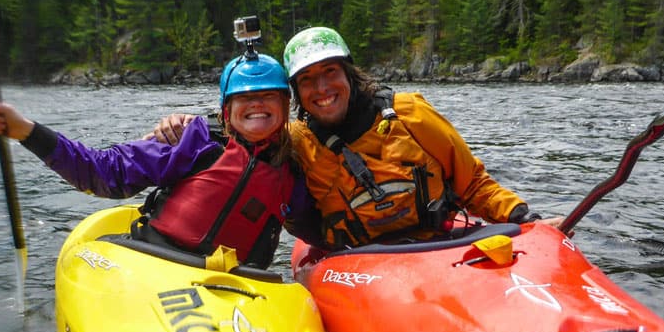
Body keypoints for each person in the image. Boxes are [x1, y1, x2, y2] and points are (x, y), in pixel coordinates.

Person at [150, 27, 563, 249]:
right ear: (296, 94)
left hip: (438, 245)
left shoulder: (410, 114)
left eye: (330, 72)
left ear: (349, 74)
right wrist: (184, 124)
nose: (322, 88)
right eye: (307, 80)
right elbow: (243, 129)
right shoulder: (295, 140)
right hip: (358, 261)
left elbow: (471, 182)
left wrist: (524, 219)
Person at [0, 52, 320, 268]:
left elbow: (313, 229)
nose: (257, 104)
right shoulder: (196, 141)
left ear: (285, 106)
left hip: (234, 287)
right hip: (155, 264)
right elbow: (105, 173)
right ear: (226, 109)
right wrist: (27, 132)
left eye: (268, 96)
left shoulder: (291, 173)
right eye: (245, 97)